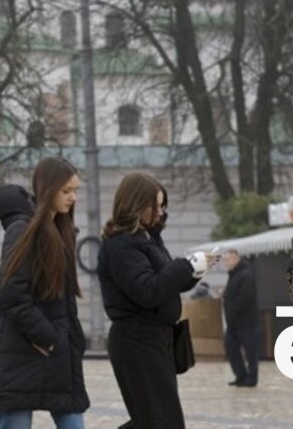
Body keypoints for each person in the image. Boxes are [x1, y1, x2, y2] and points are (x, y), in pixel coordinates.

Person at [98, 171, 213, 429]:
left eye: (162, 206)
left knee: (156, 419)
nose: (160, 213)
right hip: (137, 340)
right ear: (136, 205)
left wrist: (194, 273)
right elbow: (148, 290)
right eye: (156, 206)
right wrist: (184, 266)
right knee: (160, 420)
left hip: (155, 339)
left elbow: (165, 284)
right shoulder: (122, 245)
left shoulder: (148, 239)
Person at [0, 156, 89, 429]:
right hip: (23, 350)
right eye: (66, 191)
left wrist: (69, 341)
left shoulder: (62, 230)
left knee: (73, 422)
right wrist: (46, 337)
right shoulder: (23, 230)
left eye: (75, 191)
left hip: (58, 355)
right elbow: (11, 292)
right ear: (47, 189)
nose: (73, 198)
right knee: (17, 421)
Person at [220, 248, 258, 388]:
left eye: (228, 259)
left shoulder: (246, 274)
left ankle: (251, 378)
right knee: (231, 348)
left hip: (245, 321)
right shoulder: (234, 275)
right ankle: (240, 376)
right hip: (233, 322)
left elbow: (245, 297)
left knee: (250, 351)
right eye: (224, 260)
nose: (226, 263)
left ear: (236, 259)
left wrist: (234, 308)